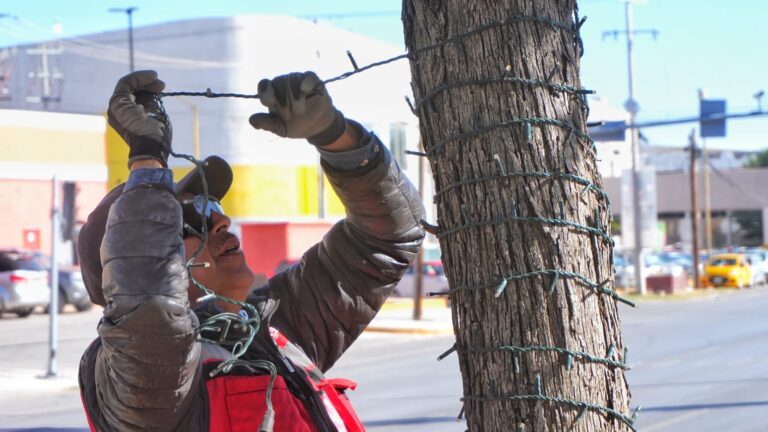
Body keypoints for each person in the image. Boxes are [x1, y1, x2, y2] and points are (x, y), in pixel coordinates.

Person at [77, 70, 426, 432]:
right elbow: (150, 308)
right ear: (121, 268)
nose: (222, 220)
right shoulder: (132, 380)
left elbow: (386, 240)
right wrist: (147, 159)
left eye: (211, 205)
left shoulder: (265, 329)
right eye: (192, 216)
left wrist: (336, 137)